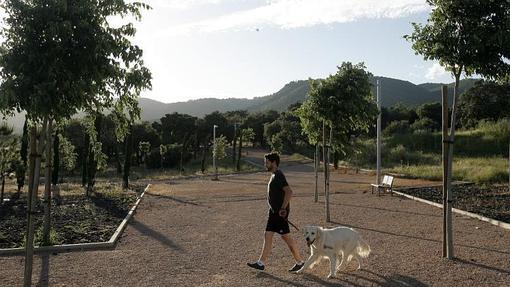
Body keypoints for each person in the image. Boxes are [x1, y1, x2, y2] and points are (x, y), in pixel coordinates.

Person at [247, 152, 304, 272]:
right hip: (273, 212)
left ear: (273, 162)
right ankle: (261, 263)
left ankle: (300, 262)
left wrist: (283, 208)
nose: (265, 165)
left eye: (267, 162)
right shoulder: (274, 175)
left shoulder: (278, 175)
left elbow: (289, 192)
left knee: (286, 237)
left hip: (279, 213)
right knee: (268, 235)